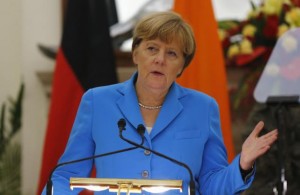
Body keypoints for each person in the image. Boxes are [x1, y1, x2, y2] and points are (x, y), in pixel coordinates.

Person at [42, 11, 278, 195]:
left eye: (172, 54)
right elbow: (66, 175)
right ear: (136, 54)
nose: (160, 60)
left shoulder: (203, 108)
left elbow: (210, 185)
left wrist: (241, 165)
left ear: (182, 66)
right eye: (152, 48)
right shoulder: (97, 101)